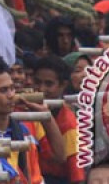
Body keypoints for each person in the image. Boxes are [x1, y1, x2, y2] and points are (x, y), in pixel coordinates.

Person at [0, 53, 66, 184]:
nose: (11, 95)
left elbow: (60, 156)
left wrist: (47, 117)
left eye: (12, 88)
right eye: (3, 90)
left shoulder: (24, 129)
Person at [32, 56, 85, 184]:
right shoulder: (24, 110)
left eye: (49, 84)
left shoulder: (68, 123)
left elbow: (77, 177)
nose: (41, 89)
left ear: (63, 85)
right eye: (37, 82)